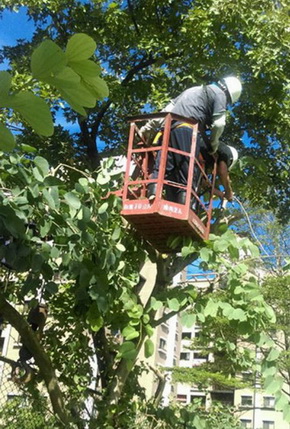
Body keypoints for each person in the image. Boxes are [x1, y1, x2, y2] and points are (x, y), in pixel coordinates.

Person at [146, 76, 242, 202]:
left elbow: (166, 110)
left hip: (169, 129)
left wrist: (147, 128)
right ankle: (184, 201)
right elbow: (219, 124)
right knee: (187, 167)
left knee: (165, 163)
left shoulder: (193, 90)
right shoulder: (220, 95)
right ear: (229, 95)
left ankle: (153, 190)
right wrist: (213, 145)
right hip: (187, 130)